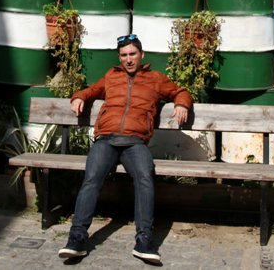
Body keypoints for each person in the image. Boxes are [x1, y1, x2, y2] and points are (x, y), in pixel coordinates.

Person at [57, 33, 193, 264]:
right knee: (92, 178)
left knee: (145, 176)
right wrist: (79, 97)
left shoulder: (156, 79)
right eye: (124, 55)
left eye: (132, 54)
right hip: (106, 140)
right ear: (119, 58)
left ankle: (144, 240)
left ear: (141, 55)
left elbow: (180, 91)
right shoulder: (111, 77)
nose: (128, 59)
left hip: (135, 142)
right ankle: (76, 238)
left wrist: (181, 103)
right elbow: (90, 90)